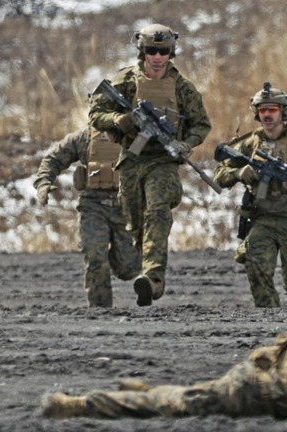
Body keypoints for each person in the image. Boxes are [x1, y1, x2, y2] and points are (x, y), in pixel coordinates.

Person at [41, 307, 287, 422]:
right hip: (245, 393)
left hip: (267, 390)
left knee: (181, 396)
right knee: (175, 406)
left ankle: (149, 390)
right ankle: (77, 404)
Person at [88, 23, 211, 306]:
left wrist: (185, 144)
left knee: (157, 213)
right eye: (152, 51)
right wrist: (117, 120)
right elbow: (96, 111)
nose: (157, 57)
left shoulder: (182, 87)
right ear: (143, 52)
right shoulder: (126, 81)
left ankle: (154, 279)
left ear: (171, 53)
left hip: (164, 162)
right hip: (131, 159)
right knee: (134, 224)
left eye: (163, 51)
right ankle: (133, 266)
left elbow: (201, 125)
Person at [214, 82, 287, 309]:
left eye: (272, 110)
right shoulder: (250, 143)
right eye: (262, 110)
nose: (267, 115)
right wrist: (238, 172)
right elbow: (220, 174)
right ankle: (269, 318)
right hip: (261, 219)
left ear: (282, 112)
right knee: (256, 267)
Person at [33, 128, 141, 307]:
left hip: (126, 206)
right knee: (94, 254)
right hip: (93, 205)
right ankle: (100, 309)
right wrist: (43, 183)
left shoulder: (137, 136)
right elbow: (53, 159)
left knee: (128, 268)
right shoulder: (84, 138)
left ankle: (127, 256)